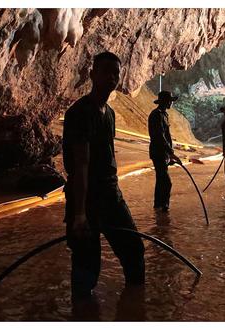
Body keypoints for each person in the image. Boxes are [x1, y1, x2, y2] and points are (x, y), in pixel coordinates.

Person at [62, 51, 145, 300]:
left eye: (116, 73)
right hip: (86, 198)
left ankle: (136, 309)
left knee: (134, 250)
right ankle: (83, 313)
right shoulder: (80, 112)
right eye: (105, 72)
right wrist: (79, 215)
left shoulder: (109, 113)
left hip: (111, 194)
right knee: (87, 267)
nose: (111, 77)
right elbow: (81, 164)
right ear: (92, 75)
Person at [148, 91, 181, 212]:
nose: (171, 103)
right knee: (166, 182)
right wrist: (171, 153)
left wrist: (169, 155)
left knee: (161, 180)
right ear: (165, 101)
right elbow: (159, 136)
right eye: (170, 100)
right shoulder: (156, 115)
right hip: (158, 152)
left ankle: (158, 207)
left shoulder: (164, 115)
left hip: (163, 153)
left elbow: (166, 136)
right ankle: (164, 208)